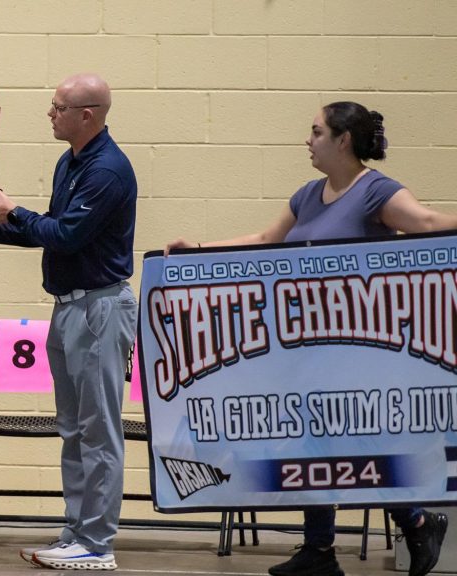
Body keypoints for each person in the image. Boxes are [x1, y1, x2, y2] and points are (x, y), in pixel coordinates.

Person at [166, 102, 452, 576]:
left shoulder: (375, 191)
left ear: (343, 140)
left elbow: (423, 222)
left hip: (358, 349)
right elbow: (265, 240)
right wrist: (197, 249)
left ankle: (416, 521)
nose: (307, 139)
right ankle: (321, 550)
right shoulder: (306, 195)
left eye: (316, 131)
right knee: (309, 444)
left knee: (354, 444)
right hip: (307, 349)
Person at [0, 73, 137, 571]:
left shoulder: (108, 171)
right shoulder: (69, 162)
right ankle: (77, 531)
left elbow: (67, 235)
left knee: (99, 430)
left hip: (99, 308)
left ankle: (97, 543)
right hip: (69, 308)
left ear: (87, 116)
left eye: (58, 108)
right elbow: (49, 230)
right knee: (73, 428)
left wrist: (11, 210)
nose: (50, 114)